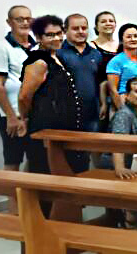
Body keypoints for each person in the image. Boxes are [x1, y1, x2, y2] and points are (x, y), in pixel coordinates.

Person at [18, 15, 88, 175]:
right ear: (38, 37)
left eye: (59, 33)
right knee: (48, 173)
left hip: (64, 127)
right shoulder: (38, 62)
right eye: (50, 35)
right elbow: (24, 96)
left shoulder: (56, 57)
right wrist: (25, 118)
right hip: (46, 127)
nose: (56, 38)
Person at [0, 5, 34, 171]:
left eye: (28, 19)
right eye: (19, 19)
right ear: (9, 22)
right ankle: (12, 198)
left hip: (34, 115)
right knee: (13, 160)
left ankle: (30, 197)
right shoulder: (1, 47)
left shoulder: (37, 46)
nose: (24, 22)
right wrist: (11, 117)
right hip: (12, 115)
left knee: (36, 160)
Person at [58, 14, 103, 134]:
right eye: (75, 28)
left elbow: (101, 83)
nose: (80, 32)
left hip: (92, 114)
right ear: (65, 30)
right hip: (65, 114)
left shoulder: (96, 54)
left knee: (91, 150)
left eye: (84, 28)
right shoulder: (58, 53)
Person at [102, 77, 137, 179]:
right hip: (116, 170)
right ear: (127, 95)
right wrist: (120, 168)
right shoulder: (123, 115)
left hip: (135, 168)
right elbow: (118, 142)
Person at [106, 24, 137, 110]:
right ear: (121, 40)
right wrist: (122, 111)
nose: (133, 39)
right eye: (129, 37)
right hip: (124, 102)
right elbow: (113, 90)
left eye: (136, 36)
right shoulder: (116, 61)